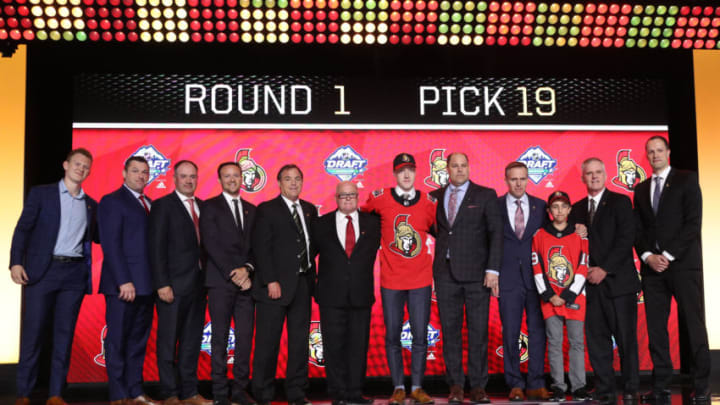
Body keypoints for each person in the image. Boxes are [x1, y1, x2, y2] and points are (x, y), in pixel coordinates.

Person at [10, 148, 97, 405]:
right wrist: (16, 262)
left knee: (64, 334)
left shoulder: (91, 204)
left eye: (86, 166)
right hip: (42, 272)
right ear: (65, 165)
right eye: (77, 164)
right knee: (33, 333)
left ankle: (56, 393)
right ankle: (23, 393)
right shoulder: (42, 193)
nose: (81, 169)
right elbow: (22, 228)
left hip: (74, 275)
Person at [634, 136, 711, 405]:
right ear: (646, 156)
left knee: (694, 325)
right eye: (650, 152)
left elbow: (693, 223)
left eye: (659, 150)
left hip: (683, 266)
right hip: (653, 269)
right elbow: (639, 230)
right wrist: (647, 256)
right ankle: (661, 387)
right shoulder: (641, 189)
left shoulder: (686, 180)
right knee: (656, 329)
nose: (655, 155)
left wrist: (666, 255)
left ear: (668, 152)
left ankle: (702, 386)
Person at [362, 153, 437, 405]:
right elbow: (363, 219)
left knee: (419, 335)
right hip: (391, 280)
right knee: (393, 335)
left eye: (411, 170)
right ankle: (397, 387)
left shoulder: (428, 202)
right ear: (394, 173)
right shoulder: (379, 198)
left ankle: (416, 386)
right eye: (402, 170)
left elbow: (442, 232)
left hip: (420, 280)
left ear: (416, 173)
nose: (406, 175)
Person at [430, 153, 502, 405]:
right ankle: (456, 386)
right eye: (455, 166)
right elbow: (434, 229)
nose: (459, 170)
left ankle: (479, 386)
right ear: (447, 169)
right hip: (445, 274)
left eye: (463, 165)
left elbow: (496, 233)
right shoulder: (435, 197)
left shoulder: (486, 195)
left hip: (477, 275)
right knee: (450, 333)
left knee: (478, 331)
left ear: (469, 168)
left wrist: (493, 270)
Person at [570, 158, 640, 405]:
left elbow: (626, 238)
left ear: (606, 174)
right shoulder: (576, 209)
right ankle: (604, 389)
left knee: (626, 339)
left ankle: (631, 387)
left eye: (598, 172)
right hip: (589, 286)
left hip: (618, 284)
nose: (594, 176)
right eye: (589, 173)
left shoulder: (621, 201)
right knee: (597, 340)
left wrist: (604, 268)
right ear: (583, 178)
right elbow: (569, 247)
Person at [251, 164, 317, 405]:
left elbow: (311, 246)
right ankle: (263, 394)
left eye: (297, 179)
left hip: (302, 284)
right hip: (274, 287)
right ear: (278, 183)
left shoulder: (309, 209)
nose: (293, 183)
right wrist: (270, 280)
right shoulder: (267, 210)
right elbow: (261, 248)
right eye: (288, 179)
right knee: (268, 343)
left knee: (300, 343)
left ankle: (297, 393)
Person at [311, 181, 381, 405]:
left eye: (352, 194)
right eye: (343, 195)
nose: (348, 198)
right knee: (333, 346)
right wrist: (314, 287)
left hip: (361, 295)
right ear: (336, 198)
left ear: (358, 197)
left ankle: (355, 392)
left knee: (358, 347)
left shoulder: (373, 223)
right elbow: (309, 259)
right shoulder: (321, 224)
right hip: (330, 296)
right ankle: (338, 394)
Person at [148, 160, 210, 405]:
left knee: (191, 344)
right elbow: (156, 247)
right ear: (174, 178)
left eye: (192, 176)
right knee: (167, 344)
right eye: (183, 176)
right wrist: (161, 283)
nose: (188, 180)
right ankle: (170, 394)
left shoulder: (203, 207)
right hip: (171, 288)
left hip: (198, 287)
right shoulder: (163, 206)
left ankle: (189, 393)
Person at [98, 156, 156, 405]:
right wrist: (124, 281)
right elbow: (110, 245)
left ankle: (135, 391)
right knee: (118, 341)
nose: (141, 176)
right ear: (124, 173)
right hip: (123, 286)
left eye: (145, 172)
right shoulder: (111, 201)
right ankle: (119, 394)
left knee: (137, 343)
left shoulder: (151, 203)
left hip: (147, 285)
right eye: (135, 171)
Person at [200, 162, 257, 405]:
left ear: (242, 178)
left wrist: (248, 270)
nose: (232, 179)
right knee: (220, 338)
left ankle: (240, 391)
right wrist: (234, 274)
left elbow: (257, 248)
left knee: (245, 339)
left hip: (247, 284)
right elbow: (211, 244)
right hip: (220, 282)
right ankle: (221, 393)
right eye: (227, 176)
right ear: (220, 179)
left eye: (236, 175)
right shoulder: (209, 207)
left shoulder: (252, 210)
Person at [496, 162, 549, 402]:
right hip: (506, 278)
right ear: (506, 180)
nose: (518, 183)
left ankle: (536, 383)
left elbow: (554, 237)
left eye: (523, 178)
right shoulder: (494, 206)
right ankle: (515, 383)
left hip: (537, 279)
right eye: (514, 179)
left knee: (538, 331)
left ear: (529, 179)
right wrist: (492, 273)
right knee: (510, 332)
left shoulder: (541, 206)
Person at [532, 191, 588, 403]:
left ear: (570, 210)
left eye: (564, 206)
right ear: (549, 211)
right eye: (555, 207)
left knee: (576, 342)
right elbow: (536, 266)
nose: (559, 211)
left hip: (575, 298)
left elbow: (583, 265)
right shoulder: (539, 235)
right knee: (554, 342)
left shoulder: (579, 235)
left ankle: (579, 386)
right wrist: (549, 295)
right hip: (550, 299)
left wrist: (567, 295)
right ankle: (558, 387)